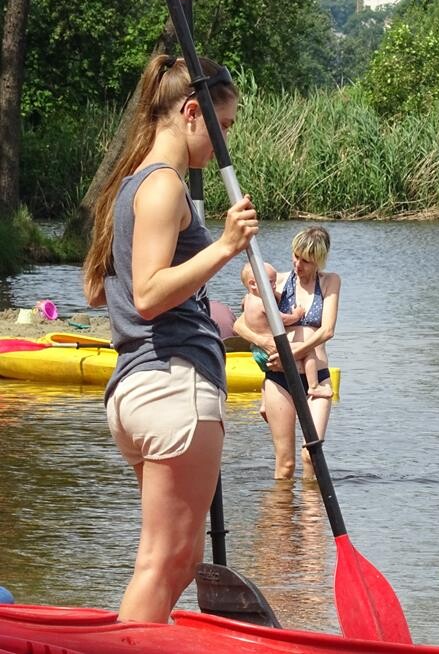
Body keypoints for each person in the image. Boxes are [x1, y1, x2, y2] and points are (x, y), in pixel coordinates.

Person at [81, 54, 257, 623]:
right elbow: (151, 293)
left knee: (178, 562)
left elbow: (99, 292)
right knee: (163, 562)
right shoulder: (162, 188)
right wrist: (223, 247)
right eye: (222, 126)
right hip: (172, 386)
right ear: (190, 112)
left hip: (142, 387)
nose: (224, 144)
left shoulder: (129, 187)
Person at [234, 226, 341, 480]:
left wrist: (293, 353)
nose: (298, 264)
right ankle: (280, 519)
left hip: (316, 376)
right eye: (295, 256)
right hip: (279, 378)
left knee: (311, 455)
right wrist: (267, 344)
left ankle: (311, 518)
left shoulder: (330, 282)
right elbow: (239, 324)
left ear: (318, 260)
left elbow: (326, 331)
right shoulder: (277, 281)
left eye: (306, 260)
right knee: (286, 464)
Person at [239, 262, 329, 401]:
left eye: (275, 282)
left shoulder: (248, 299)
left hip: (257, 351)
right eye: (270, 283)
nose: (275, 286)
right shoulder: (264, 303)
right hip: (272, 348)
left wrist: (276, 295)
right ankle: (314, 386)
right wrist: (297, 315)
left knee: (271, 375)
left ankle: (264, 401)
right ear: (253, 284)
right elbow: (283, 319)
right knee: (309, 350)